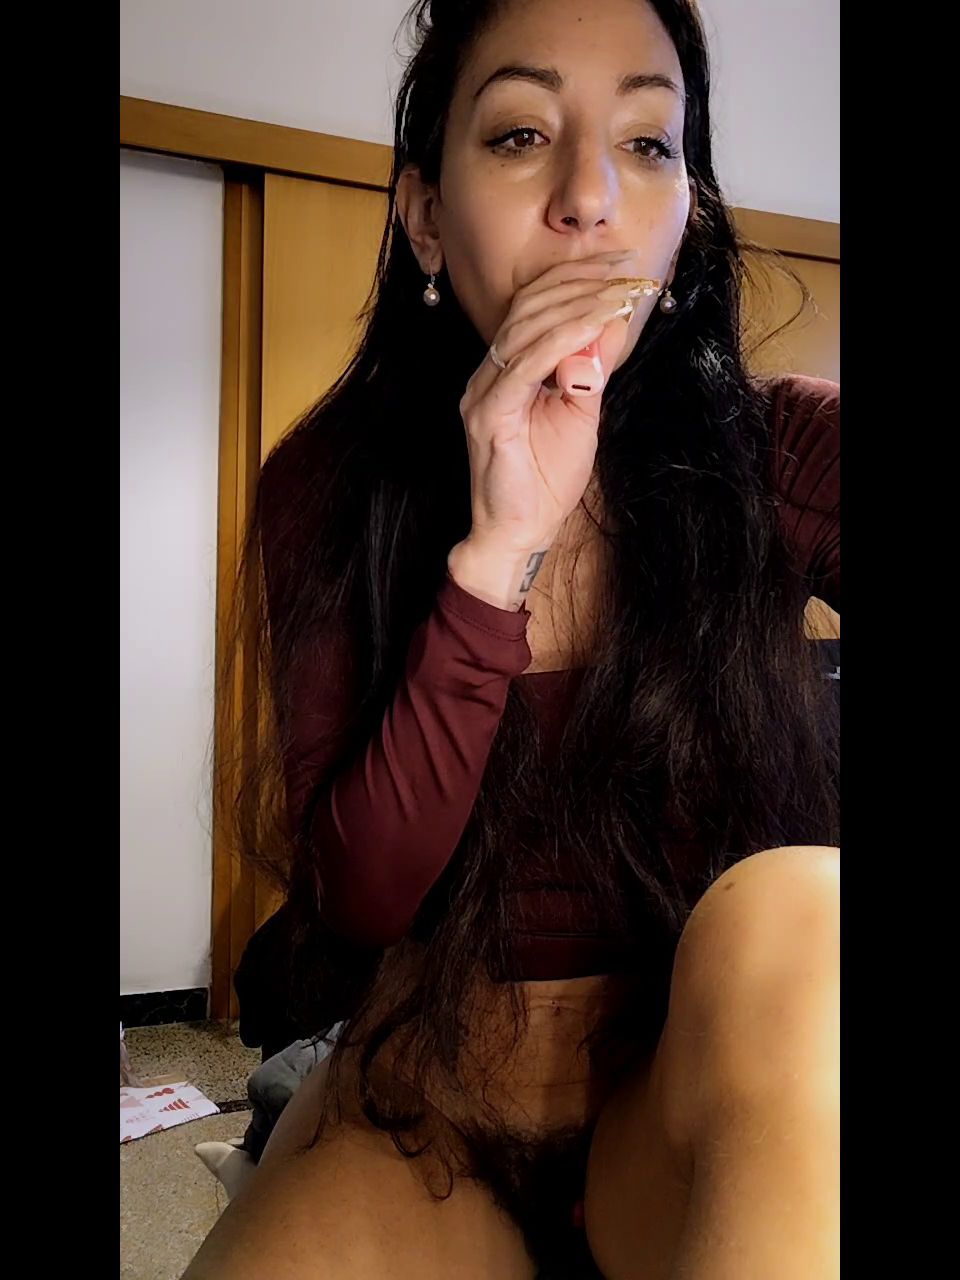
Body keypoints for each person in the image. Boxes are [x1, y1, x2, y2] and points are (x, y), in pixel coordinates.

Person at [186, 0, 839, 1275]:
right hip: (430, 1091)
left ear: (687, 215)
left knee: (805, 907)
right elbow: (364, 900)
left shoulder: (787, 451)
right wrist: (496, 555)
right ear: (427, 215)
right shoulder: (327, 485)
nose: (591, 198)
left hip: (692, 1095)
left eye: (648, 144)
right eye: (523, 134)